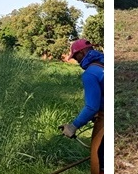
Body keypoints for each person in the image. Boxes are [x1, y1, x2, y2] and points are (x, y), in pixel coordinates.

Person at [60, 39, 104, 174]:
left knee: (100, 162)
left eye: (76, 57)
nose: (77, 61)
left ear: (83, 52)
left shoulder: (90, 74)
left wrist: (73, 126)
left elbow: (92, 106)